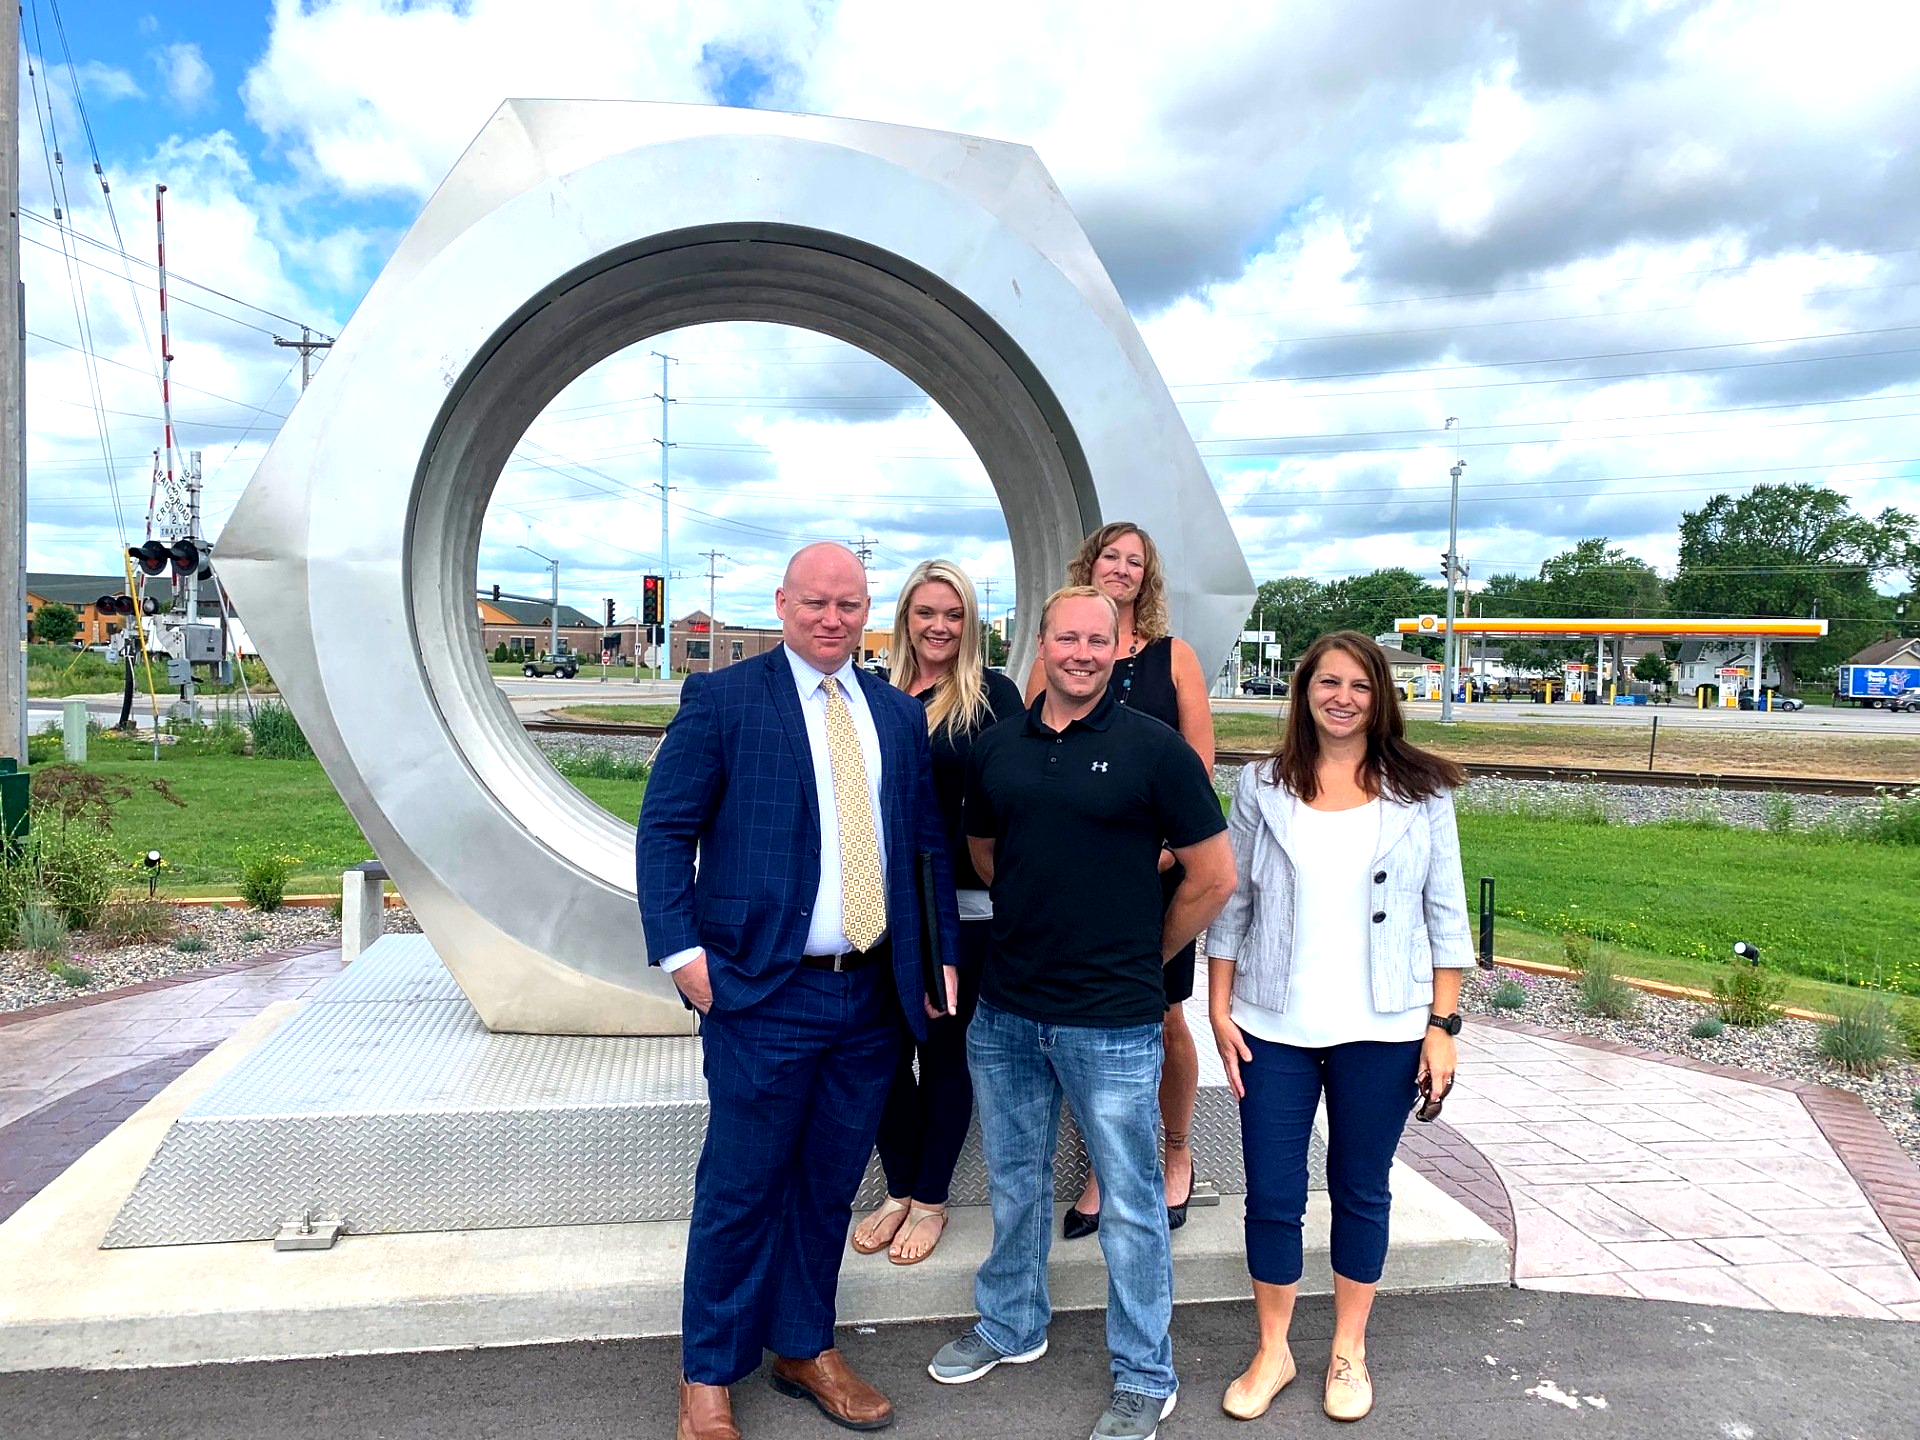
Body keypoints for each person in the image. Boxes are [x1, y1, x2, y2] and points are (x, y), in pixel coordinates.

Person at [637, 542, 961, 1440]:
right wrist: (684, 958)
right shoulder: (724, 701)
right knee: (742, 1187)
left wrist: (938, 953)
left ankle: (802, 1345)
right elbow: (664, 832)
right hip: (759, 992)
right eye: (815, 603)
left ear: (868, 613)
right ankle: (708, 1375)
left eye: (849, 605)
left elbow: (924, 844)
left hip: (870, 997)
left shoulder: (895, 715)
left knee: (826, 1187)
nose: (832, 619)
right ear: (782, 604)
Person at [930, 585, 1235, 1440]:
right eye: (1067, 638)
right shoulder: (998, 750)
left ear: (1116, 651)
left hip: (1112, 1019)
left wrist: (1145, 953)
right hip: (1009, 1013)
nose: (1081, 653)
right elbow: (991, 856)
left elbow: (1214, 878)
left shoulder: (1157, 752)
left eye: (1097, 642)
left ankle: (1146, 1372)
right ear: (1045, 647)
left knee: (1133, 1202)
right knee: (1016, 1182)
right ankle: (1012, 1325)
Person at [1204, 630, 1474, 1424]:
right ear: (1304, 691)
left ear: (1379, 694)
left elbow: (1446, 915)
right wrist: (1217, 1006)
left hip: (1383, 1029)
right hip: (1272, 1025)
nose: (1343, 697)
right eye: (1328, 682)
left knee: (1361, 1189)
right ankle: (1275, 1347)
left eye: (1359, 684)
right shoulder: (1261, 786)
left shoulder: (1422, 791)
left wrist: (1443, 1024)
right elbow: (1235, 903)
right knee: (1273, 1193)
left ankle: (1349, 1349)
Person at [1025, 523, 1214, 1238]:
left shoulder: (1176, 658)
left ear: (1148, 577)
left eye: (1137, 561)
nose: (1124, 569)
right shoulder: (1059, 655)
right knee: (1092, 1024)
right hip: (1081, 874)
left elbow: (1197, 762)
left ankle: (1175, 1152)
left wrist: (1167, 847)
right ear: (1090, 564)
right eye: (1113, 556)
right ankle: (1108, 1165)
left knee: (1162, 1019)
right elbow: (1034, 755)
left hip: (1159, 872)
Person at [851, 561, 1025, 1266]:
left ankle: (930, 1199)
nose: (939, 628)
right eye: (927, 613)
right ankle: (898, 1186)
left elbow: (1018, 801)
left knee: (944, 1053)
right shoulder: (870, 693)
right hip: (878, 907)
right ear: (904, 619)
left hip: (964, 910)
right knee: (880, 1052)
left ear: (971, 624)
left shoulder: (992, 697)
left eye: (954, 616)